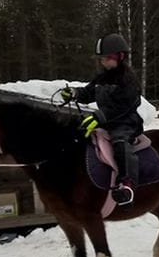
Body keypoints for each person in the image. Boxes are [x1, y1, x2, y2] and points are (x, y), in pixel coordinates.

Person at [61, 33, 144, 205]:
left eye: (106, 58)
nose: (103, 62)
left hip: (126, 122)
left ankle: (127, 184)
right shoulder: (102, 77)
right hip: (105, 121)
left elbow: (125, 105)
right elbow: (89, 92)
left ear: (120, 57)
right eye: (101, 59)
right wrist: (75, 93)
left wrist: (100, 116)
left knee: (120, 142)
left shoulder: (128, 79)